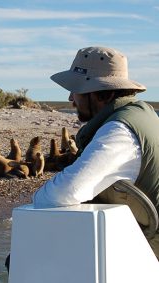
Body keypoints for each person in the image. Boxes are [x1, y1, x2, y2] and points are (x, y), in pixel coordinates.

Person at [32, 46, 159, 259]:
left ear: (103, 94)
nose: (71, 97)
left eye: (77, 89)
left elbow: (60, 194)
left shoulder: (119, 131)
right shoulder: (143, 116)